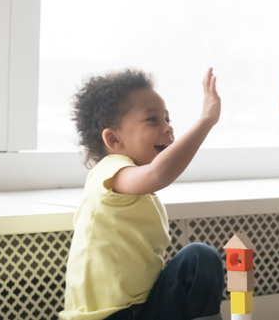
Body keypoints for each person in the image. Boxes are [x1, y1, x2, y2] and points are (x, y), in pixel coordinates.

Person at [60, 68, 224, 320]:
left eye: (167, 119)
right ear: (113, 139)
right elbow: (159, 174)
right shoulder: (110, 172)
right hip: (108, 316)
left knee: (200, 258)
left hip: (144, 310)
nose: (168, 128)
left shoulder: (137, 188)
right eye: (153, 120)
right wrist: (206, 120)